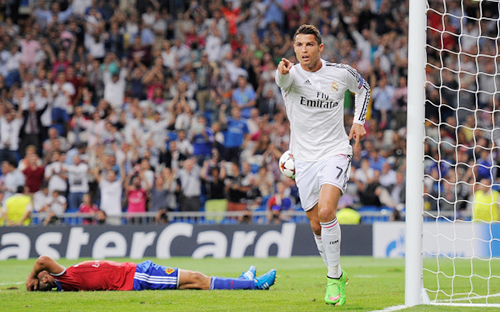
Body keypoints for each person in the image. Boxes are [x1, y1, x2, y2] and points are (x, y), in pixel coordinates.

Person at [275, 24, 370, 306]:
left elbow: (363, 87)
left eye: (309, 45)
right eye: (299, 45)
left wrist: (358, 122)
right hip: (303, 158)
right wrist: (281, 73)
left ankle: (331, 279)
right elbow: (282, 81)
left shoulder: (340, 73)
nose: (303, 50)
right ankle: (338, 273)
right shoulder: (289, 74)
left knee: (328, 210)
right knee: (316, 225)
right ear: (294, 49)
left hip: (335, 151)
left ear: (320, 48)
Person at [26, 256, 276, 292]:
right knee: (197, 278)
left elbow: (44, 264)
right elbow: (42, 259)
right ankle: (253, 285)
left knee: (191, 284)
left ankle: (243, 280)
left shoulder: (63, 278)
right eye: (41, 281)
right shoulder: (65, 278)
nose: (44, 276)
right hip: (136, 276)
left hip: (135, 272)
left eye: (42, 276)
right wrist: (30, 278)